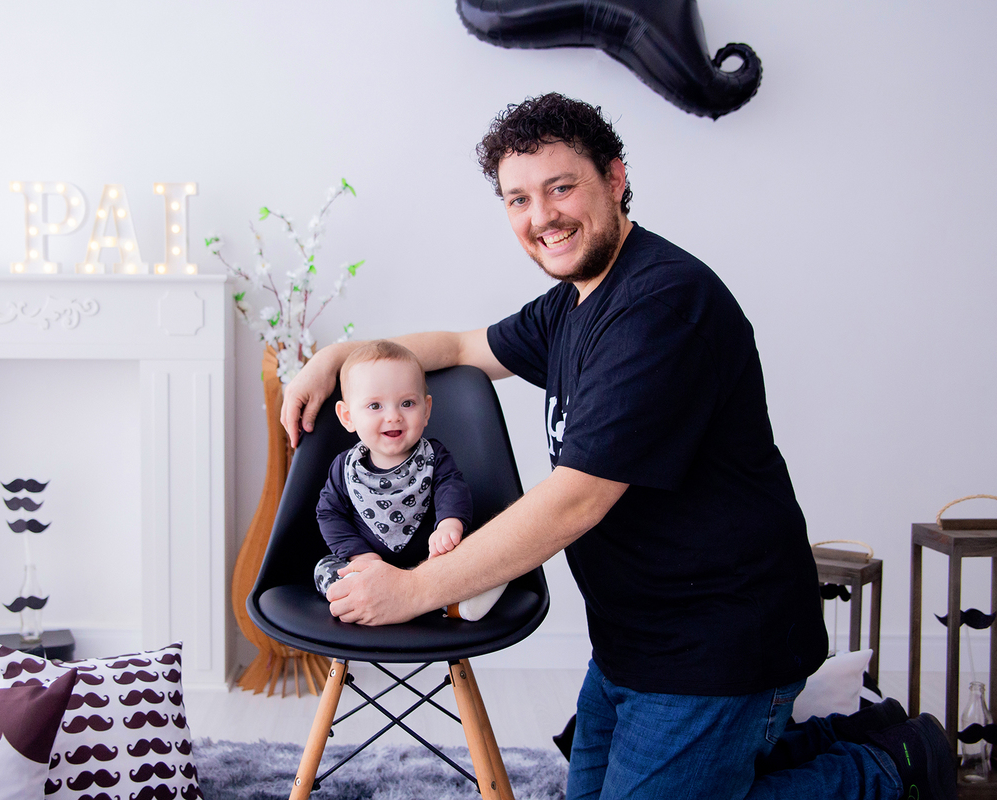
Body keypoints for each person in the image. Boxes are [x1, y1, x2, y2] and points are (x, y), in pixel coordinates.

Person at [280, 93, 954, 799]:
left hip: (718, 643)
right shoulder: (573, 300)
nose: (542, 217)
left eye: (561, 187)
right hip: (633, 643)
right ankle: (818, 739)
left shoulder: (660, 306)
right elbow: (460, 346)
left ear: (615, 179)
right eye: (518, 199)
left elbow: (575, 501)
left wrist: (413, 588)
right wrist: (339, 355)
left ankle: (889, 770)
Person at [313, 340, 506, 621]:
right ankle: (353, 598)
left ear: (426, 409)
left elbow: (451, 489)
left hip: (427, 564)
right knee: (325, 568)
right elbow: (329, 514)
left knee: (471, 555)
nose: (393, 416)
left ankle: (453, 604)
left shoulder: (434, 456)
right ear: (348, 416)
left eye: (407, 403)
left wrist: (448, 524)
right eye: (375, 405)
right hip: (365, 565)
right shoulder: (345, 468)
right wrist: (359, 556)